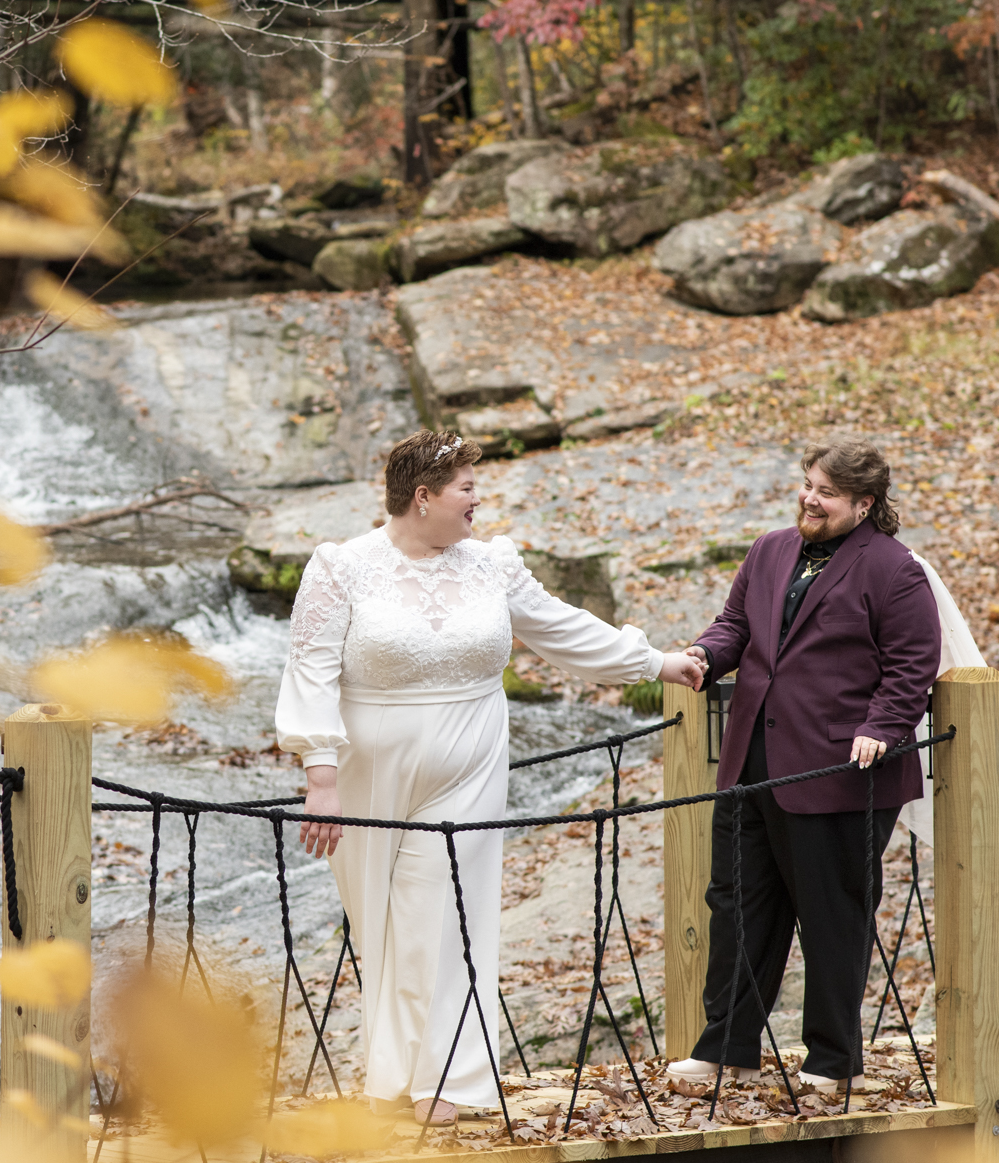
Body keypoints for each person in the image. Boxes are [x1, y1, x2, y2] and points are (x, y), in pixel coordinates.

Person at [276, 430, 700, 1125]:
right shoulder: (341, 566)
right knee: (382, 923)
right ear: (423, 496)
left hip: (470, 762)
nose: (478, 499)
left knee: (446, 916)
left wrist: (653, 662)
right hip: (367, 773)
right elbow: (311, 668)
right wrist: (319, 772)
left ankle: (447, 1080)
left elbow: (561, 629)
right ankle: (390, 1078)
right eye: (466, 487)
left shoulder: (491, 564)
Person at [668, 437, 940, 1093]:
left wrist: (882, 726)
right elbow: (735, 626)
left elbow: (912, 665)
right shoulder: (769, 549)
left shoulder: (895, 570)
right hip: (751, 763)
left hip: (841, 774)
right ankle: (726, 1047)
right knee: (736, 906)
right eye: (808, 485)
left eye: (826, 493)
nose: (809, 500)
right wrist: (705, 655)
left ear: (864, 504)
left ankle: (830, 1060)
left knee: (831, 916)